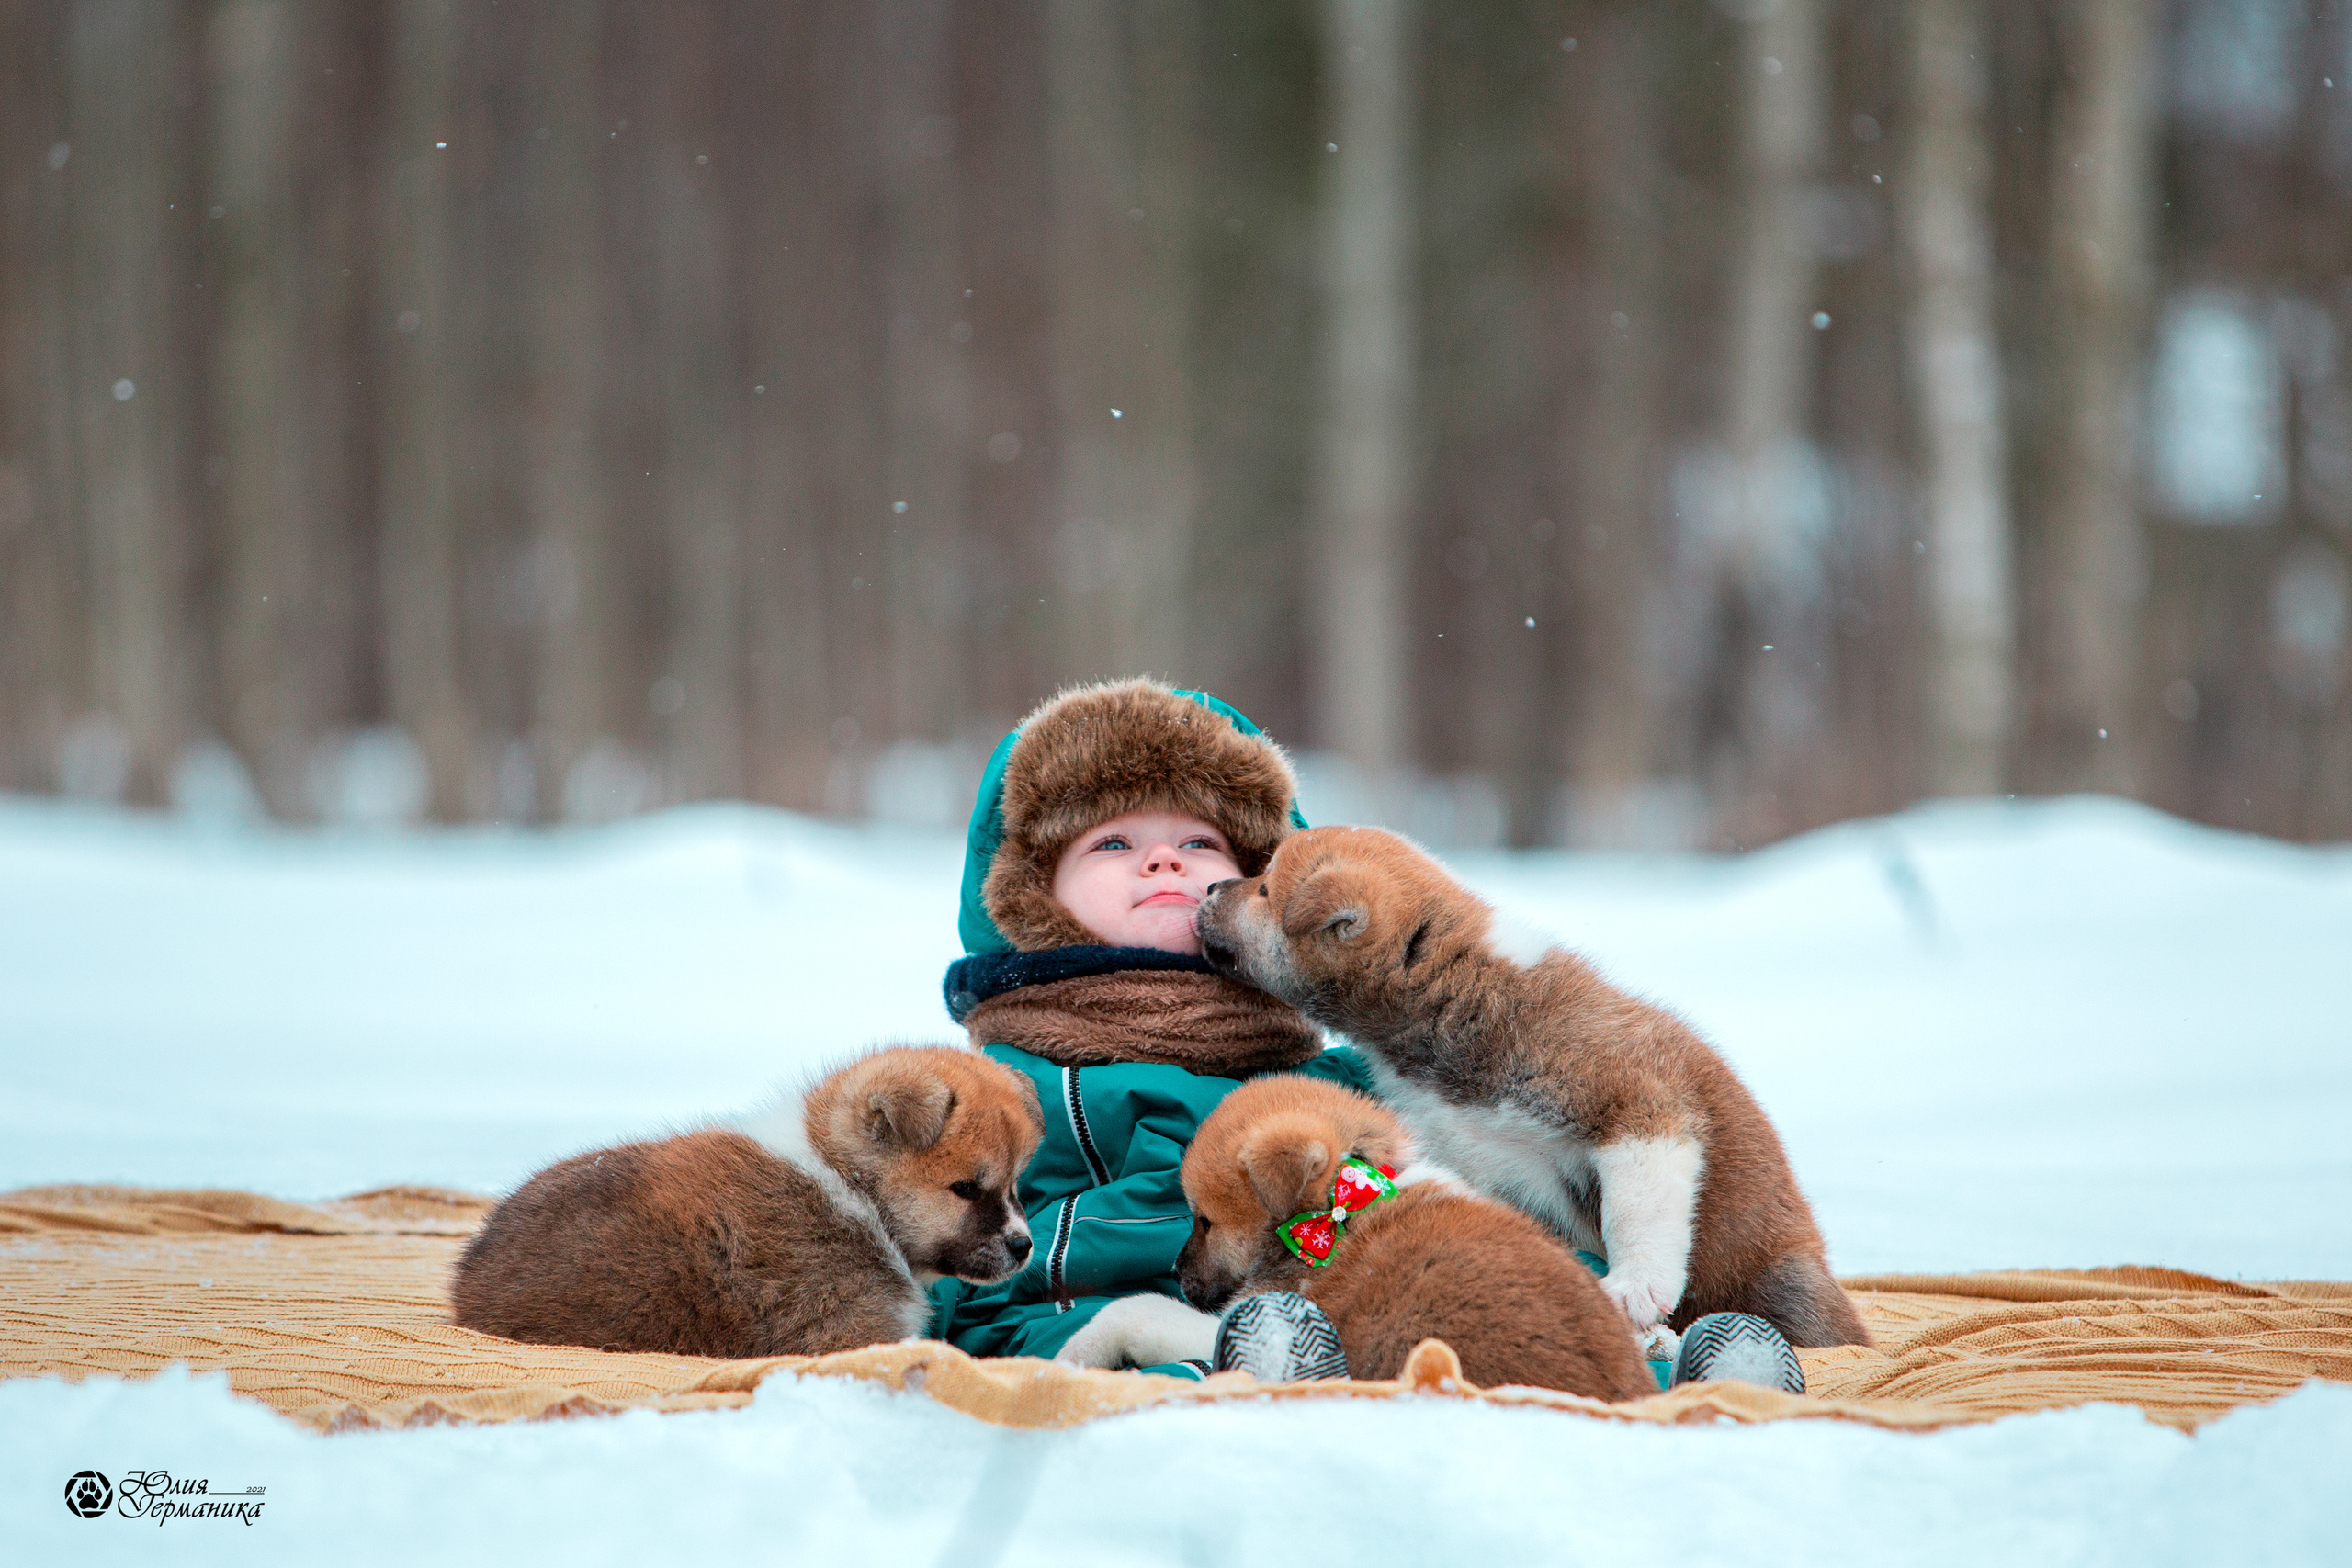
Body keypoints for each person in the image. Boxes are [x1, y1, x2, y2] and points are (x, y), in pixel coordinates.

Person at [926, 679, 1370, 1377]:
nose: (1165, 860)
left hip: (1329, 1335)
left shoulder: (1330, 1090)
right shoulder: (1006, 1096)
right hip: (1062, 1348)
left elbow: (1486, 1203)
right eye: (1112, 842)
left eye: (1199, 839)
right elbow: (944, 1281)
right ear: (1031, 898)